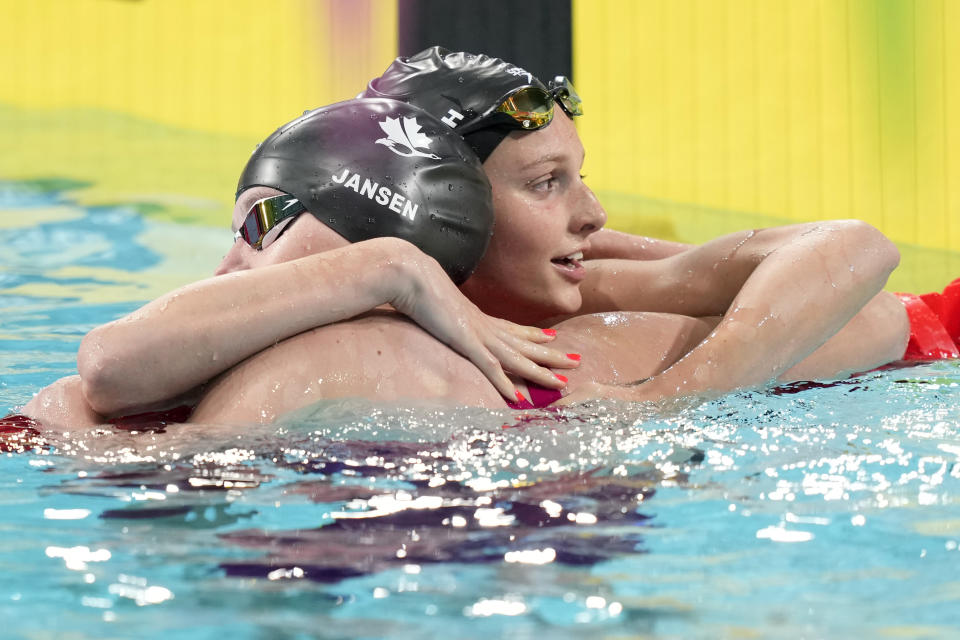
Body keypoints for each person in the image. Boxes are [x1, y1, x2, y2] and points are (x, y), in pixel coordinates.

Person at [12, 47, 956, 429]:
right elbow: (111, 369)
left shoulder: (584, 279)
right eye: (548, 186)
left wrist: (674, 400)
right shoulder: (383, 303)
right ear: (449, 208)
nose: (588, 215)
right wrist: (386, 265)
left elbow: (858, 249)